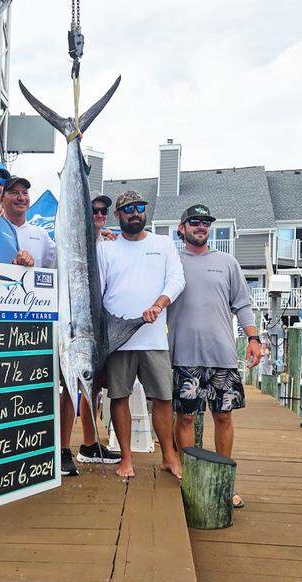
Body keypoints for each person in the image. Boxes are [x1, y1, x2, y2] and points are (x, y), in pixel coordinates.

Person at [166, 204, 262, 508]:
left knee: (223, 416)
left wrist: (253, 337)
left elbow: (243, 304)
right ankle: (191, 478)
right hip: (183, 355)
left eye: (206, 222)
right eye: (194, 222)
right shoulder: (171, 261)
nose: (201, 226)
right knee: (185, 417)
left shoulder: (227, 262)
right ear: (181, 228)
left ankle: (223, 480)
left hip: (222, 356)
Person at [96, 190, 185, 478]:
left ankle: (168, 456)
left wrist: (160, 304)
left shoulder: (163, 243)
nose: (135, 213)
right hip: (117, 338)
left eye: (139, 208)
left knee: (163, 399)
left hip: (154, 337)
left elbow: (177, 279)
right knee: (118, 398)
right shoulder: (105, 249)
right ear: (118, 215)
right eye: (128, 209)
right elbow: (97, 292)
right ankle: (126, 458)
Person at [55, 194, 123, 475]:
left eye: (102, 211)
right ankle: (61, 449)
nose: (98, 215)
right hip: (74, 322)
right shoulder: (68, 237)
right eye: (93, 210)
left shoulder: (109, 244)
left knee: (91, 387)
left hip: (98, 324)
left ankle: (89, 445)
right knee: (72, 389)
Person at [1, 176, 55, 268]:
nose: (21, 198)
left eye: (25, 193)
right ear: (1, 199)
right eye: (14, 193)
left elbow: (59, 266)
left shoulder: (41, 234)